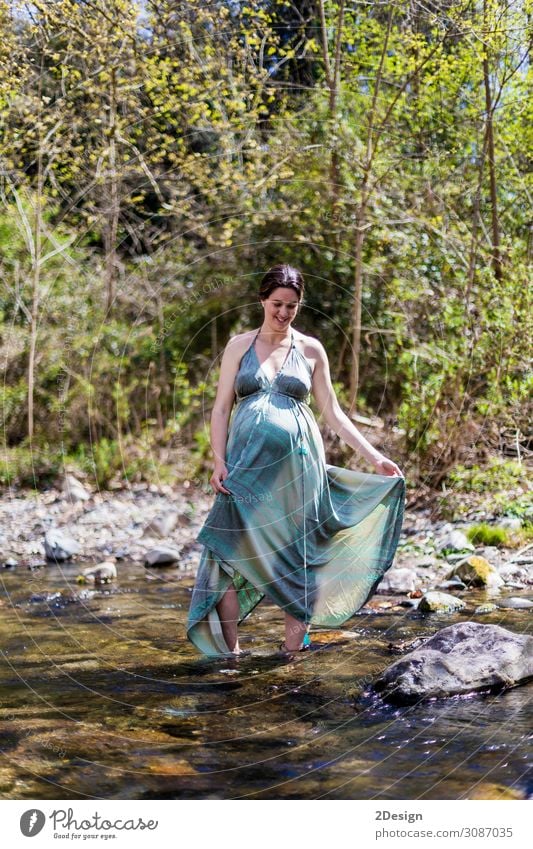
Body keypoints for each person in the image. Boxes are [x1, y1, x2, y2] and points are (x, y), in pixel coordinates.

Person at [186, 264, 405, 658]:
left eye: (292, 306)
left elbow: (334, 414)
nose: (284, 313)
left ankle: (292, 655)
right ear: (262, 300)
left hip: (300, 471)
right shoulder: (239, 346)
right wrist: (218, 461)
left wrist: (374, 457)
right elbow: (220, 410)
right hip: (245, 467)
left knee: (299, 555)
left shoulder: (310, 349)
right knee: (224, 550)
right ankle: (231, 655)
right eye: (277, 304)